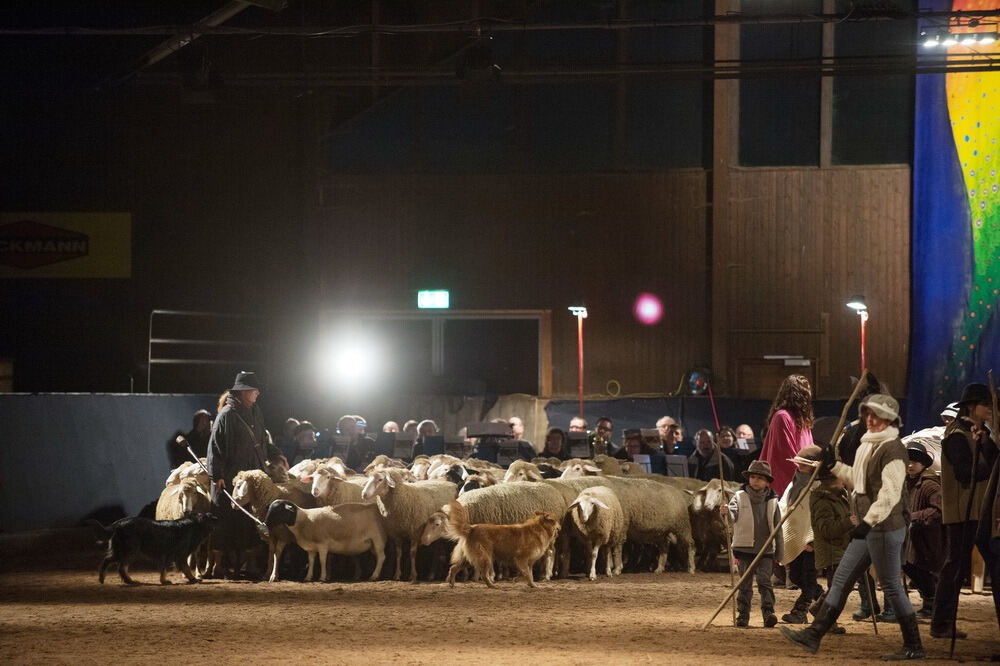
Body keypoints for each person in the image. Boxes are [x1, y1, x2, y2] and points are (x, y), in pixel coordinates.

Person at [781, 393, 924, 660]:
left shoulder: (893, 449)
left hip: (884, 526)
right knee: (841, 581)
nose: (869, 419)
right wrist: (834, 465)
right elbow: (857, 480)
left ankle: (914, 646)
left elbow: (891, 494)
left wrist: (867, 522)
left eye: (876, 415)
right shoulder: (867, 447)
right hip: (869, 529)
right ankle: (814, 635)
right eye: (867, 414)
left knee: (891, 585)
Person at [930, 382, 998, 639]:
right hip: (962, 511)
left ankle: (943, 622)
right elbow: (965, 473)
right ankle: (941, 622)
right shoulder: (957, 434)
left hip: (978, 511)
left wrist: (987, 444)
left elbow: (993, 462)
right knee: (955, 567)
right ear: (972, 406)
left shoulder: (978, 432)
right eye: (986, 404)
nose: (990, 408)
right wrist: (983, 451)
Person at [206, 371, 286, 576]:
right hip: (231, 477)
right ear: (243, 392)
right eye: (254, 390)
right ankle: (219, 565)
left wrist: (276, 454)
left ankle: (250, 565)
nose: (258, 393)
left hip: (252, 477)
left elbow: (261, 441)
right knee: (225, 520)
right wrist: (217, 476)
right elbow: (215, 447)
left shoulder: (255, 411)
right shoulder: (227, 415)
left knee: (250, 521)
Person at [723, 460, 783, 628]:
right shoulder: (739, 497)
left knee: (765, 581)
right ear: (748, 479)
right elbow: (732, 516)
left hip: (765, 549)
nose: (756, 481)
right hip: (744, 548)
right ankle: (743, 614)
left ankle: (768, 612)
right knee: (745, 583)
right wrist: (726, 512)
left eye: (760, 478)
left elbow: (778, 527)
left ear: (767, 482)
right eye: (753, 477)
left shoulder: (773, 501)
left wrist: (779, 552)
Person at [778, 445, 824, 624]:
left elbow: (817, 516)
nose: (800, 467)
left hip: (811, 539)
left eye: (804, 465)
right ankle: (821, 599)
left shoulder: (818, 487)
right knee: (796, 576)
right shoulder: (795, 482)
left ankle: (800, 611)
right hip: (794, 535)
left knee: (807, 575)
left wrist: (813, 539)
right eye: (800, 464)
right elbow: (785, 506)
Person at [808, 459, 852, 635]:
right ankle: (826, 617)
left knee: (839, 587)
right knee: (837, 588)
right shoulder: (823, 501)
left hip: (842, 548)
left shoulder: (839, 497)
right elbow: (826, 530)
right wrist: (849, 522)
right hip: (833, 550)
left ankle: (820, 609)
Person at [902, 441, 942, 620]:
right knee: (908, 565)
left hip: (927, 538)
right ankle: (929, 602)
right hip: (910, 537)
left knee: (922, 568)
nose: (910, 465)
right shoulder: (905, 483)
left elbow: (938, 511)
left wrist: (914, 517)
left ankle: (932, 603)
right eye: (908, 461)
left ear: (923, 464)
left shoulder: (929, 485)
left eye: (915, 462)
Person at [760, 374, 815, 497]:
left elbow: (810, 452)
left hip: (804, 480)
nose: (809, 397)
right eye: (806, 393)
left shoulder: (803, 421)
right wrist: (805, 479)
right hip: (787, 484)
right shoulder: (782, 417)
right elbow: (786, 457)